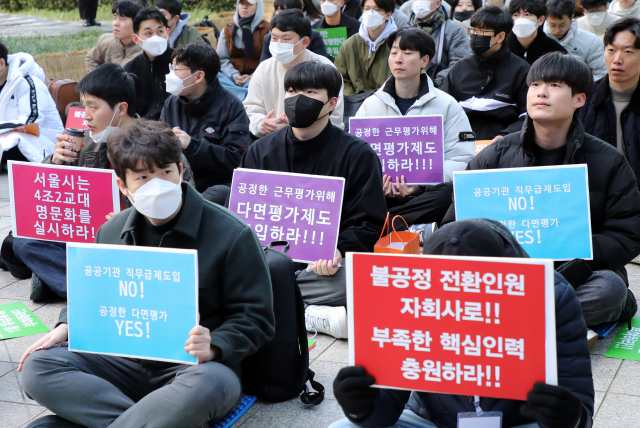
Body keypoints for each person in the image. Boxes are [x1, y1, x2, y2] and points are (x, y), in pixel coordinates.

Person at [19, 119, 276, 428]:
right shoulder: (111, 230)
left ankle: (143, 417)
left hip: (193, 368)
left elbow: (256, 317)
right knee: (38, 367)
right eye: (142, 176)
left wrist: (216, 343)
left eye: (166, 172)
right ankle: (153, 420)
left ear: (181, 172)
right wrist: (66, 325)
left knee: (212, 385)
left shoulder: (231, 233)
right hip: (123, 362)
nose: (158, 184)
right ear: (123, 186)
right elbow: (94, 297)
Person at [329, 219, 595, 428]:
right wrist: (360, 406)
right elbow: (386, 408)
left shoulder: (551, 296)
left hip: (520, 423)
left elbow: (580, 407)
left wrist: (567, 417)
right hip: (431, 421)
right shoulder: (410, 294)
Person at [444, 52, 640, 328]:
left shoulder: (608, 161)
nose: (541, 93)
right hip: (506, 277)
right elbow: (454, 225)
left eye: (555, 85)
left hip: (576, 272)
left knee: (609, 290)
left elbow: (626, 233)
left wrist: (571, 252)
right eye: (535, 85)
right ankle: (538, 319)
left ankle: (508, 319)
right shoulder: (494, 156)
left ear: (579, 100)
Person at [11, 63, 195, 301]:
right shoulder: (87, 141)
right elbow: (48, 196)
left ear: (121, 109)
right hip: (92, 238)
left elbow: (185, 199)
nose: (85, 115)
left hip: (139, 239)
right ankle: (96, 291)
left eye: (93, 107)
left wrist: (130, 220)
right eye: (83, 105)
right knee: (25, 241)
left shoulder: (159, 145)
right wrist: (55, 162)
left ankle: (75, 285)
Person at [241, 61, 386, 338]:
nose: (298, 99)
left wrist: (338, 249)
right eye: (292, 91)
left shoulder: (357, 154)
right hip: (267, 263)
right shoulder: (260, 152)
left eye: (310, 92)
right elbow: (242, 217)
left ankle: (276, 306)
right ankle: (306, 312)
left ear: (331, 103)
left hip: (321, 271)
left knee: (358, 282)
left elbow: (368, 223)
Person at [355, 28, 473, 227]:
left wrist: (419, 185)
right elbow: (356, 158)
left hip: (424, 196)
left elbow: (461, 159)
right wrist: (377, 184)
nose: (398, 59)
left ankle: (382, 225)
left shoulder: (447, 104)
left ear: (424, 61)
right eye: (394, 52)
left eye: (407, 53)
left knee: (447, 194)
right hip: (380, 193)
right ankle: (397, 223)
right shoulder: (370, 105)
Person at [160, 43, 252, 205]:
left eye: (177, 70)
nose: (170, 75)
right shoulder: (172, 103)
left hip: (216, 187)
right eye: (171, 68)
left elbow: (237, 159)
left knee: (219, 194)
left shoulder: (231, 106)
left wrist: (193, 145)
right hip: (178, 183)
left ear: (198, 77)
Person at [244, 9, 344, 138]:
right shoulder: (264, 68)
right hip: (270, 139)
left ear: (305, 42)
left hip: (318, 142)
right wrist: (263, 124)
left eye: (286, 39)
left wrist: (294, 130)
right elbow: (252, 107)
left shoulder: (325, 68)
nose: (278, 44)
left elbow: (334, 115)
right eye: (274, 38)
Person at [441, 5, 530, 139]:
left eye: (482, 32)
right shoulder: (459, 68)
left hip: (504, 146)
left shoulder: (521, 70)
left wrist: (506, 136)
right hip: (461, 143)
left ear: (500, 37)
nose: (475, 36)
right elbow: (443, 110)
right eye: (474, 30)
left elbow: (528, 116)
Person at [580, 17, 640, 188]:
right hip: (597, 197)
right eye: (611, 50)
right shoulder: (582, 100)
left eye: (628, 52)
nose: (617, 60)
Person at [0, 43, 63, 164]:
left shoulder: (29, 83)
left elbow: (30, 125)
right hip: (8, 141)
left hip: (42, 146)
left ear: (1, 64)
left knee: (15, 137)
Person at [334, 0, 397, 95]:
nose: (370, 13)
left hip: (388, 102)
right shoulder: (351, 44)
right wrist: (355, 100)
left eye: (377, 10)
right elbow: (340, 77)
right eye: (367, 9)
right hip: (355, 105)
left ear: (388, 14)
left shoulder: (398, 44)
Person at [406, 0, 473, 88]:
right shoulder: (405, 30)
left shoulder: (454, 30)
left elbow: (460, 63)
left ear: (437, 3)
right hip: (409, 89)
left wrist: (435, 83)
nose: (419, 2)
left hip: (442, 90)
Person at [124, 6, 173, 120]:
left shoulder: (181, 64)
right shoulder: (130, 70)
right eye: (149, 33)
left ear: (167, 33)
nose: (155, 37)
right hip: (142, 130)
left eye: (160, 31)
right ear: (136, 39)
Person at [218, 0, 271, 100]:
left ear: (258, 7)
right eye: (242, 4)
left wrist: (252, 76)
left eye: (249, 4)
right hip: (231, 78)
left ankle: (236, 96)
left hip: (257, 77)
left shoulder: (268, 29)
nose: (244, 7)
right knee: (214, 77)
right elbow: (222, 59)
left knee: (261, 83)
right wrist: (234, 75)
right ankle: (245, 95)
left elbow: (270, 60)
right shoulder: (228, 30)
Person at [544, 0, 607, 81]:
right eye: (552, 25)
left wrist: (580, 87)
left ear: (571, 18)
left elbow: (601, 72)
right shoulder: (538, 39)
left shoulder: (590, 41)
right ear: (545, 19)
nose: (557, 30)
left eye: (562, 25)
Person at [260, 0, 332, 62]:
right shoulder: (268, 38)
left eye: (286, 39)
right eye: (280, 11)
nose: (284, 16)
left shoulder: (314, 36)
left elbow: (320, 66)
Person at [86, 0, 144, 73]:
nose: (116, 23)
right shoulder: (105, 41)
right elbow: (91, 58)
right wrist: (101, 79)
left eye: (122, 19)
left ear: (136, 23)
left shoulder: (145, 49)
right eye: (115, 18)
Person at [506, 0, 567, 65]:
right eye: (516, 15)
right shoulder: (501, 48)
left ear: (540, 20)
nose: (521, 20)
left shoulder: (556, 52)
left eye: (527, 14)